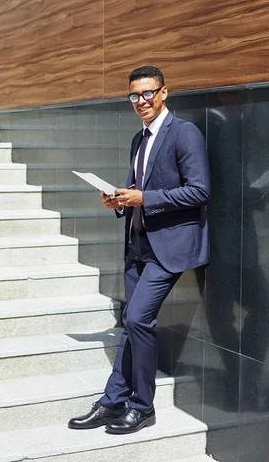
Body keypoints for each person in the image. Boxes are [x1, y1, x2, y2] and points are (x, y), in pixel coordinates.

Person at [68, 65, 210, 435]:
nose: (141, 101)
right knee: (131, 325)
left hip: (171, 247)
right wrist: (120, 200)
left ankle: (142, 406)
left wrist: (145, 198)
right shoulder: (139, 139)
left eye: (148, 93)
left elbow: (199, 191)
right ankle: (114, 400)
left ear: (164, 93)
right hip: (137, 245)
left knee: (136, 319)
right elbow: (138, 190)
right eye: (134, 95)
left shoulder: (184, 134)